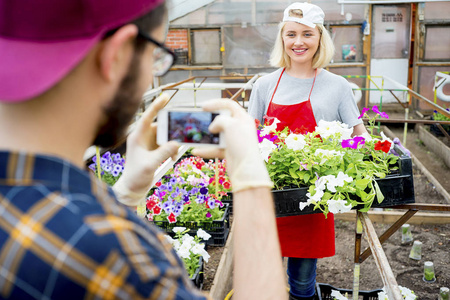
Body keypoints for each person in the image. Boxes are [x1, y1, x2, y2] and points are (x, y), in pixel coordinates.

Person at [0, 0, 287, 299]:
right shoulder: (121, 261)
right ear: (119, 55)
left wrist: (124, 193)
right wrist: (251, 177)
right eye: (156, 56)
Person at [248, 2, 368, 300]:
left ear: (320, 38)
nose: (298, 42)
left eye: (307, 34)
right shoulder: (264, 86)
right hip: (270, 200)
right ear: (282, 38)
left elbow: (360, 137)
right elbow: (251, 138)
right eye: (291, 34)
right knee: (266, 283)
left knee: (302, 285)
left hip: (312, 202)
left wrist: (335, 153)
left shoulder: (338, 86)